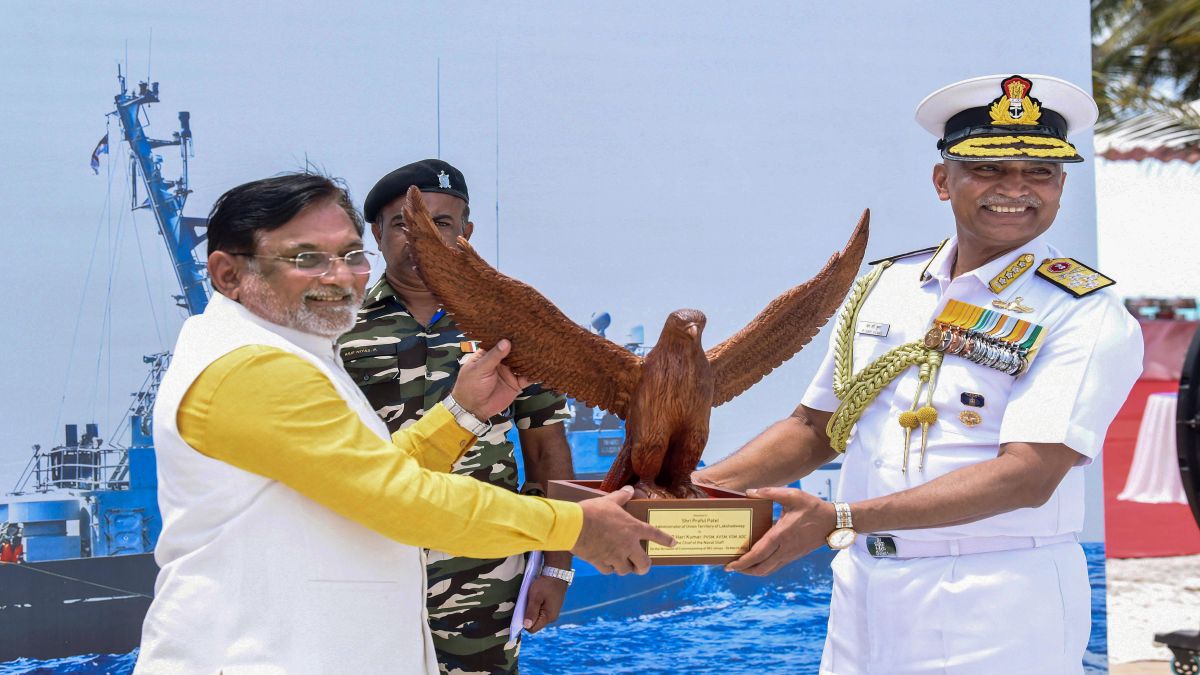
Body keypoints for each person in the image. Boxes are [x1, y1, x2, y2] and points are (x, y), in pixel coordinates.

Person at [135, 172, 673, 674]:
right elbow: (398, 499)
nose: (341, 276)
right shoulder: (257, 365)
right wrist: (577, 527)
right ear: (230, 274)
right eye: (307, 258)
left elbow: (363, 476)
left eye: (349, 255)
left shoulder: (288, 350)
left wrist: (464, 413)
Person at [695, 74, 1143, 674]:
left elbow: (1028, 476)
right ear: (942, 181)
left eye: (1039, 172)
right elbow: (816, 429)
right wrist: (684, 495)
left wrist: (842, 518)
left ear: (1061, 187)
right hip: (864, 588)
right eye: (989, 169)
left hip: (997, 596)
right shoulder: (885, 286)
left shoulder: (1082, 309)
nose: (1015, 188)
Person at [341, 159, 575, 674]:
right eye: (403, 222)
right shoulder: (335, 323)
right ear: (377, 234)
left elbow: (546, 447)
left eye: (442, 223)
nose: (421, 236)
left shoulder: (512, 322)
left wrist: (556, 567)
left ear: (465, 234)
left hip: (482, 568)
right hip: (363, 557)